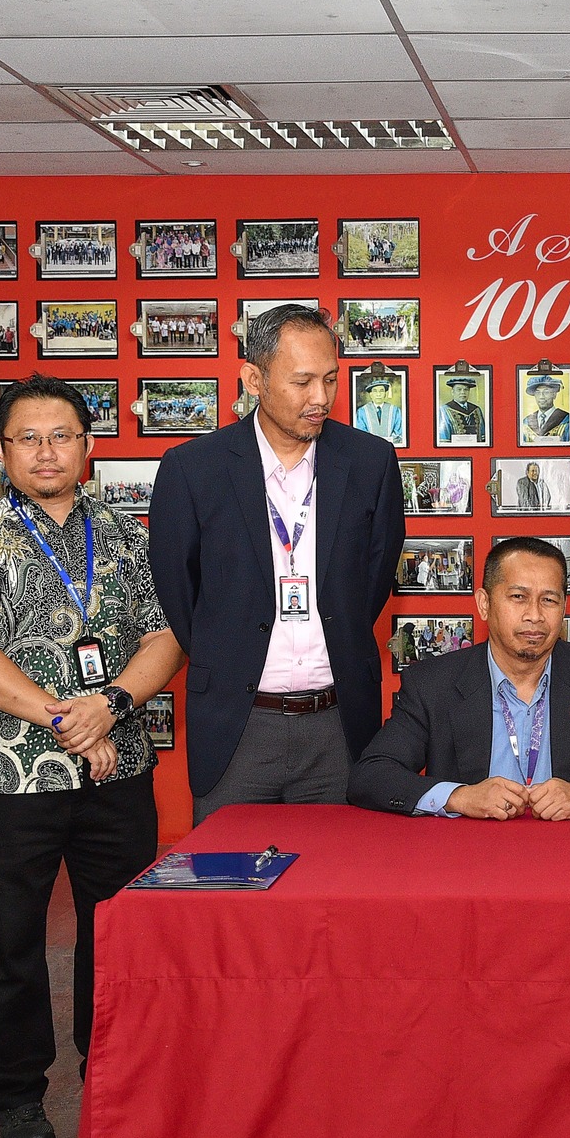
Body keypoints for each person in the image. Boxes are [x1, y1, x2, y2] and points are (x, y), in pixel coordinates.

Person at [0, 377, 183, 1138]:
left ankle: (114, 1077)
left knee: (120, 934)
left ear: (89, 445)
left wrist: (111, 703)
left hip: (118, 768)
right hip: (6, 775)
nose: (46, 451)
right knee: (6, 939)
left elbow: (166, 636)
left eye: (62, 435)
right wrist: (65, 718)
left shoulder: (128, 535)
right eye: (28, 437)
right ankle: (14, 1097)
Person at [149, 303, 406, 818]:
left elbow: (374, 579)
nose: (321, 398)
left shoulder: (370, 462)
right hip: (237, 723)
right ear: (254, 380)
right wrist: (228, 654)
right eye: (302, 381)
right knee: (227, 867)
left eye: (330, 379)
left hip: (339, 722)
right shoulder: (193, 469)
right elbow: (178, 591)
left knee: (342, 866)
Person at [349, 538, 570, 817]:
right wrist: (460, 797)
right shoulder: (433, 684)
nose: (534, 615)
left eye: (549, 600)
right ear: (484, 604)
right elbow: (372, 774)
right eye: (518, 597)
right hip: (465, 849)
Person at [352, 376, 404, 446]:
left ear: (385, 393)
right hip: (369, 447)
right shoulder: (362, 411)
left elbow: (399, 433)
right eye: (375, 391)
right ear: (371, 394)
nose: (378, 394)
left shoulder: (395, 410)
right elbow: (361, 434)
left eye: (381, 391)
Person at [437, 374, 486, 444]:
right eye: (459, 389)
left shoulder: (477, 410)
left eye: (466, 389)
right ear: (453, 392)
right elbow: (444, 437)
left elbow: (483, 436)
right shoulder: (444, 410)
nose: (463, 392)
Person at [520, 376, 570, 443]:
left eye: (546, 392)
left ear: (554, 395)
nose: (541, 397)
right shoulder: (526, 422)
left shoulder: (567, 420)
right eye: (538, 392)